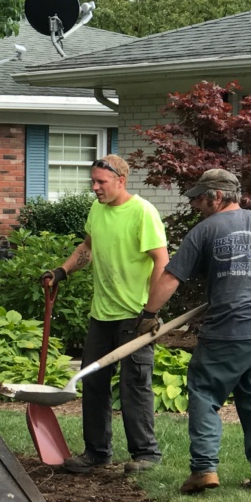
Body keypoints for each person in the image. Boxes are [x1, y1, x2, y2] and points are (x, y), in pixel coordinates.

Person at [140, 169, 251, 494]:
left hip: (225, 334)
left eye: (200, 198)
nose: (197, 205)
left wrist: (149, 314)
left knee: (204, 395)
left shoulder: (205, 231)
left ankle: (204, 470)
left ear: (217, 196)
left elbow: (171, 277)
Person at [41, 154, 169, 474]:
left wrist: (150, 311)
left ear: (120, 182)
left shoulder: (142, 212)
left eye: (101, 182)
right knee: (94, 382)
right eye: (93, 182)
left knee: (133, 385)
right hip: (102, 314)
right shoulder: (97, 209)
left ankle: (146, 455)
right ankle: (97, 452)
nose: (95, 188)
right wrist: (62, 271)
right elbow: (88, 247)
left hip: (134, 315)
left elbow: (162, 262)